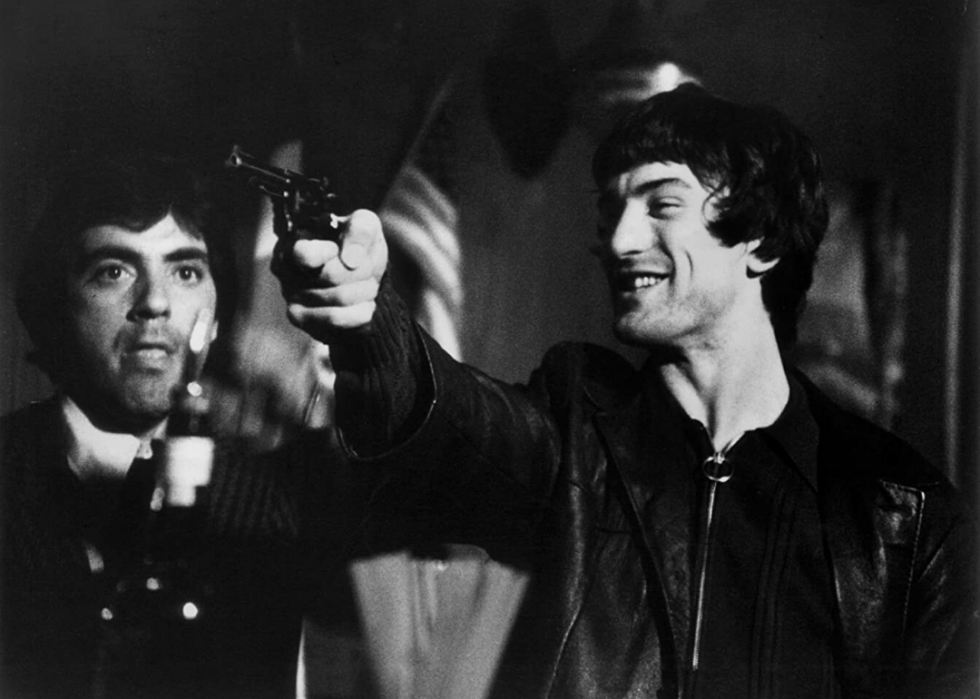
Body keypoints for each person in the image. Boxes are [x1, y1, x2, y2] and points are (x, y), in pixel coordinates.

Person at [275, 84, 979, 699]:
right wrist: (369, 322)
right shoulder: (574, 428)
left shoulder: (903, 517)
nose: (617, 240)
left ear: (762, 242)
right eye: (610, 211)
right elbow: (446, 417)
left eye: (661, 203)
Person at [1, 151, 357, 699]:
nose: (155, 303)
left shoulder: (278, 506)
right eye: (114, 271)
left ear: (215, 320)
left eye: (186, 271)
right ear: (56, 305)